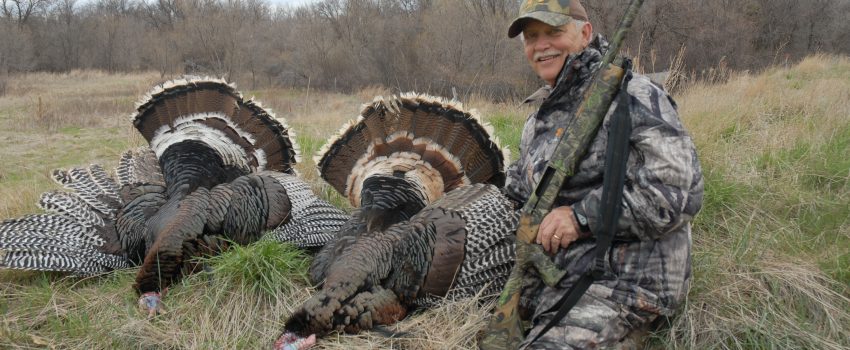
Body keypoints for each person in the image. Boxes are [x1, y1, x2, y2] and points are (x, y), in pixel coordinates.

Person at [501, 0, 704, 348]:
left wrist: (580, 217)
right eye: (532, 37)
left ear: (585, 33)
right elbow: (518, 191)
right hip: (556, 271)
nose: (541, 45)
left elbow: (677, 193)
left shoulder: (635, 96)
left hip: (626, 279)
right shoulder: (540, 117)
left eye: (554, 31)